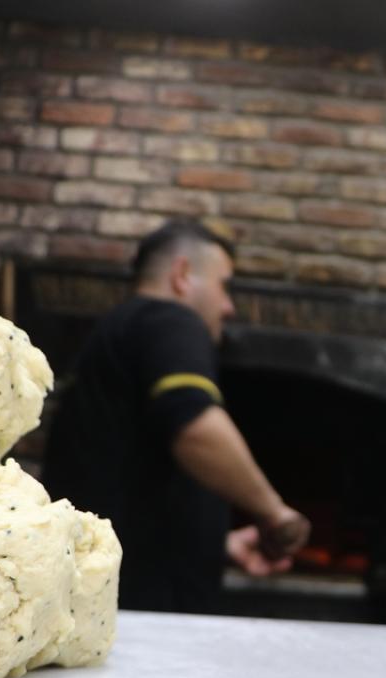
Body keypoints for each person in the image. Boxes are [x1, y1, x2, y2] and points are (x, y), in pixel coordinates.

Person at [43, 218, 310, 612]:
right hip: (139, 609)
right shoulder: (168, 320)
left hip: (110, 591)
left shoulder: (120, 329)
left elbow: (126, 479)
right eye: (224, 286)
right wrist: (274, 512)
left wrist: (218, 544)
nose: (229, 307)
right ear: (182, 275)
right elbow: (195, 428)